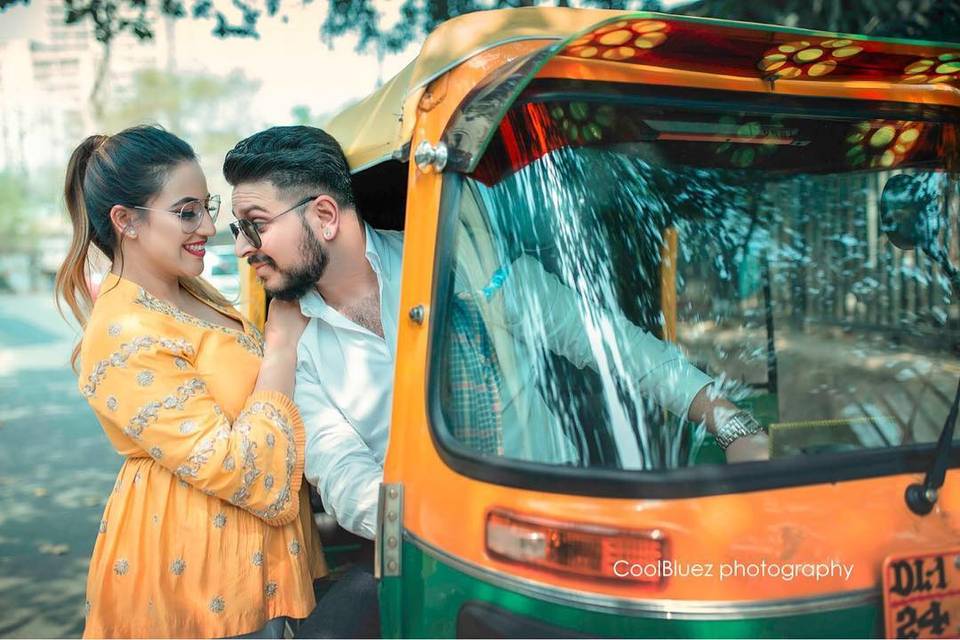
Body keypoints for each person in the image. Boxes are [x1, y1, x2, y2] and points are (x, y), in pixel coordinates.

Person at [221, 125, 768, 631]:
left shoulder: (461, 266)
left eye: (255, 225)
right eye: (237, 229)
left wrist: (732, 423)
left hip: (554, 534)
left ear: (324, 215)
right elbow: (342, 475)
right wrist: (440, 525)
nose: (243, 247)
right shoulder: (293, 340)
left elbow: (608, 344)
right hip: (424, 550)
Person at [55, 126, 326, 639]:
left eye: (207, 206)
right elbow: (236, 468)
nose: (207, 224)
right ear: (126, 221)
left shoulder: (189, 291)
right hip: (197, 574)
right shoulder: (122, 332)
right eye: (186, 212)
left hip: (254, 559)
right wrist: (280, 350)